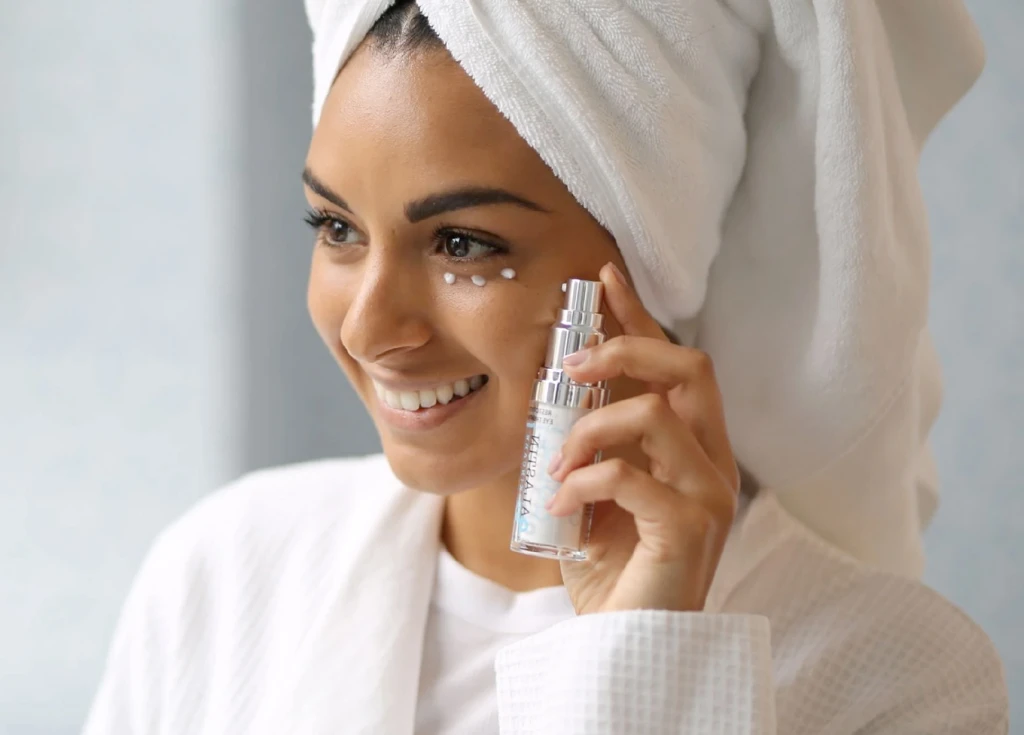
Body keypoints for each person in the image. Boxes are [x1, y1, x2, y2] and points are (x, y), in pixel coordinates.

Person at [83, 1, 1009, 733]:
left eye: (463, 243)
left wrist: (641, 658)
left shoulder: (900, 679)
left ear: (651, 255)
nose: (370, 326)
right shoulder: (228, 571)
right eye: (337, 229)